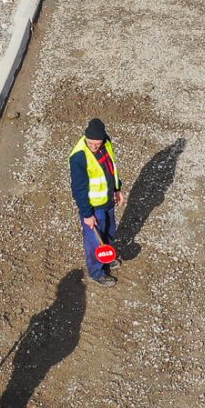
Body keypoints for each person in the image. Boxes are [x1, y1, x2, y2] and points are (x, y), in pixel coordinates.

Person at [68, 118, 125, 286]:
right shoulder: (79, 157)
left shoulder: (106, 144)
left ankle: (106, 257)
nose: (94, 146)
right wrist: (87, 214)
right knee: (94, 241)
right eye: (91, 143)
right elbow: (78, 189)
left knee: (109, 231)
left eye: (97, 143)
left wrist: (117, 189)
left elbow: (111, 169)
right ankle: (97, 272)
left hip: (107, 200)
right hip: (93, 207)